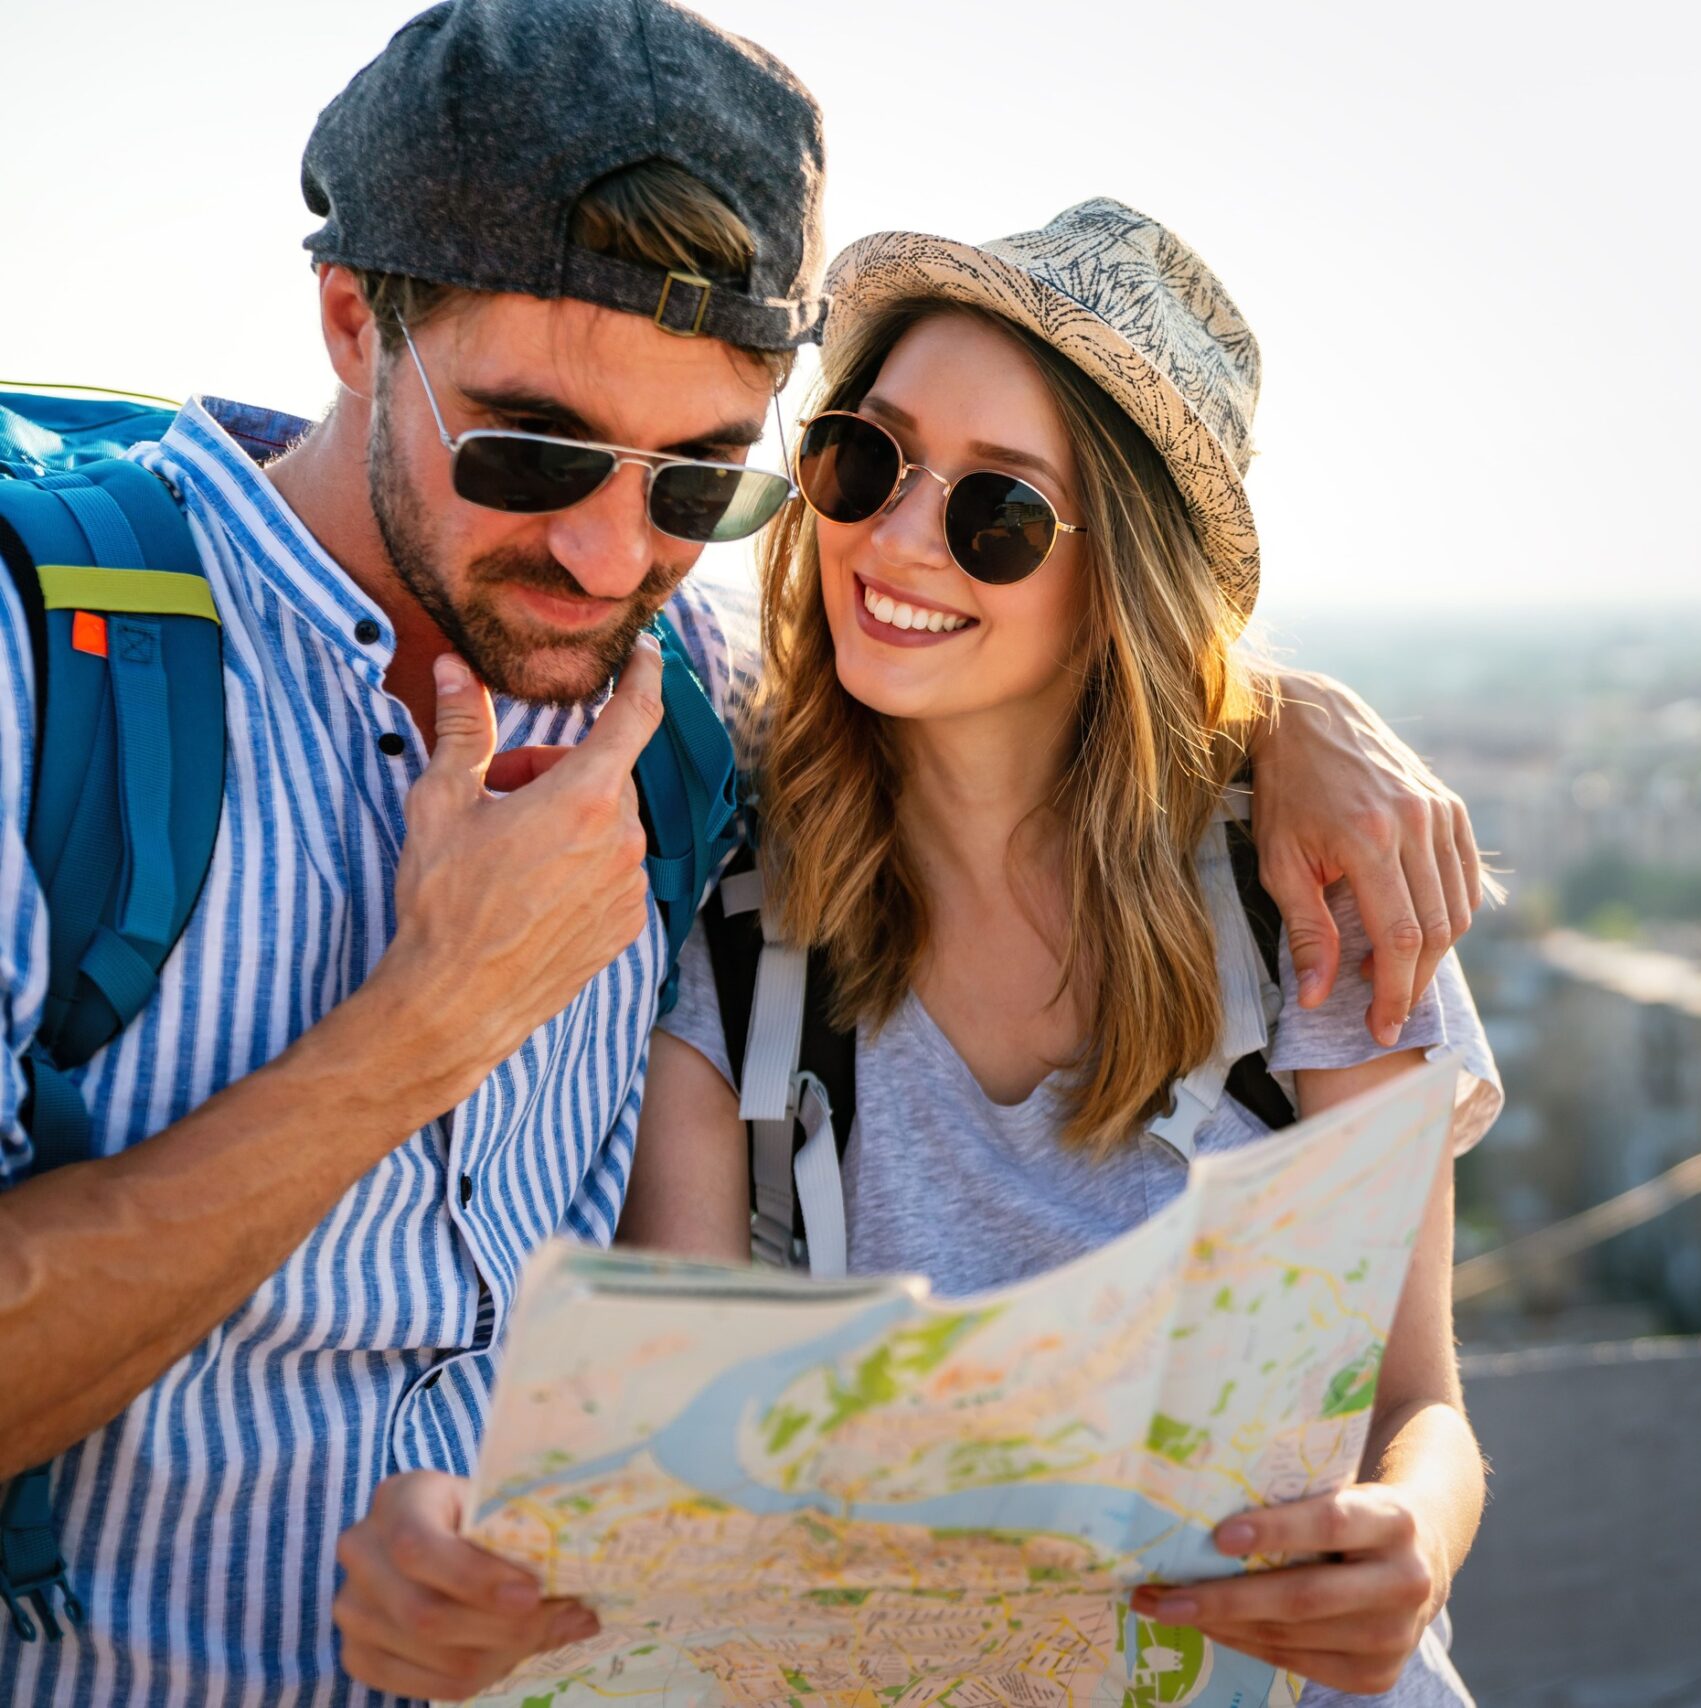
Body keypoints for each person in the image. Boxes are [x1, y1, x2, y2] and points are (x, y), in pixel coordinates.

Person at [0, 6, 1481, 1704]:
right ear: (353, 318)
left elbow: (1027, 696)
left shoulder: (689, 699)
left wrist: (1293, 718)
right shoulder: (38, 678)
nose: (608, 545)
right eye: (530, 446)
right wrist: (426, 1025)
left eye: (704, 478)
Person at [614, 201, 1505, 1705]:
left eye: (998, 514)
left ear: (1122, 575)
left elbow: (1418, 1403)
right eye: (864, 460)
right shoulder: (741, 923)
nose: (895, 540)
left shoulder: (1308, 897)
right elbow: (675, 1465)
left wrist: (1412, 1538)